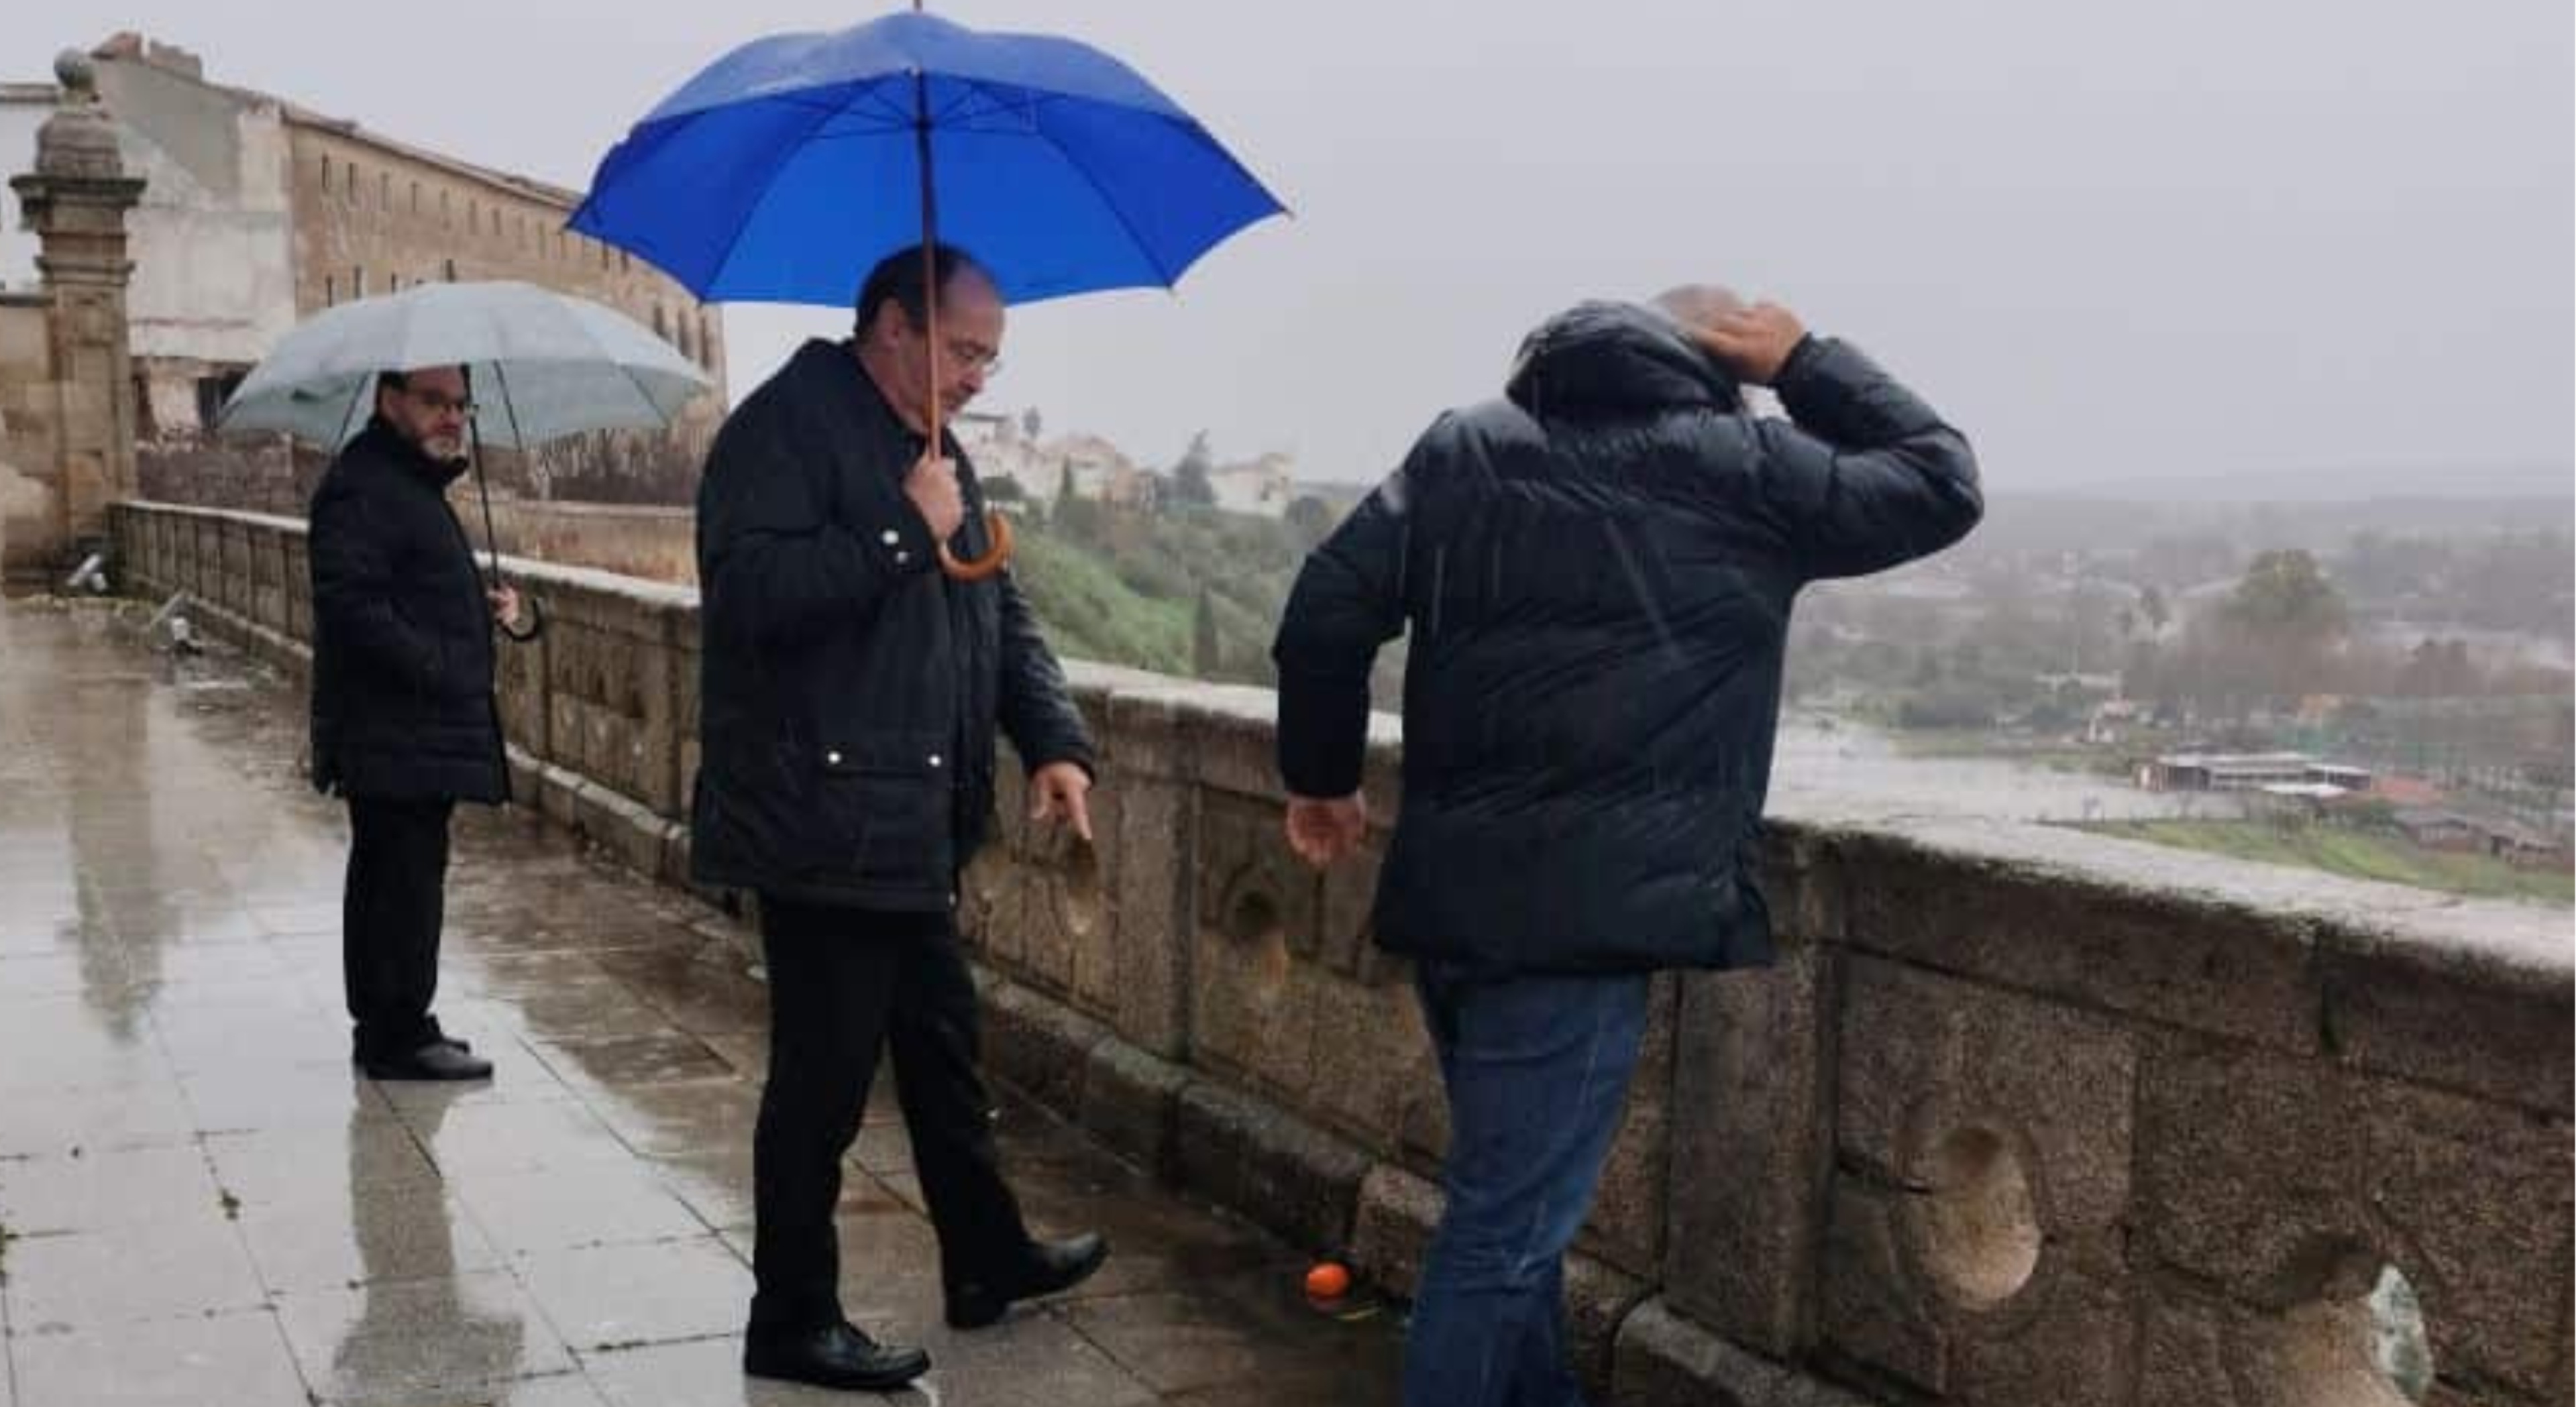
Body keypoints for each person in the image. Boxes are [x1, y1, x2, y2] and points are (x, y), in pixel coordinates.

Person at [1271, 290, 1982, 1407]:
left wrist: (1319, 776)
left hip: (1455, 903)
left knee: (1517, 1208)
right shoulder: (1749, 467)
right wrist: (1808, 359)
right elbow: (1941, 481)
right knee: (1503, 1229)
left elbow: (1324, 609)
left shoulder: (1466, 448)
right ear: (1717, 368)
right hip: (1589, 920)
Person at [692, 243, 1110, 1393]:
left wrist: (1058, 743)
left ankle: (985, 1257)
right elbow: (748, 603)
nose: (981, 376)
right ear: (893, 327)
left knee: (941, 1050)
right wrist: (896, 530)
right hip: (820, 813)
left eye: (991, 355)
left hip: (911, 810)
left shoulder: (931, 448)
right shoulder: (783, 430)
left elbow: (997, 606)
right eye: (967, 350)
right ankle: (791, 1318)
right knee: (821, 1083)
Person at [309, 365, 538, 1083]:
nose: (452, 418)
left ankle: (398, 1022)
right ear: (389, 400)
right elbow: (352, 606)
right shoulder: (363, 486)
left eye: (461, 406)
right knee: (398, 882)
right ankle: (395, 1034)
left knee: (404, 876)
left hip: (411, 729)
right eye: (435, 402)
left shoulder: (406, 485)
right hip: (392, 726)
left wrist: (491, 608)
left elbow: (413, 590)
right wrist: (441, 665)